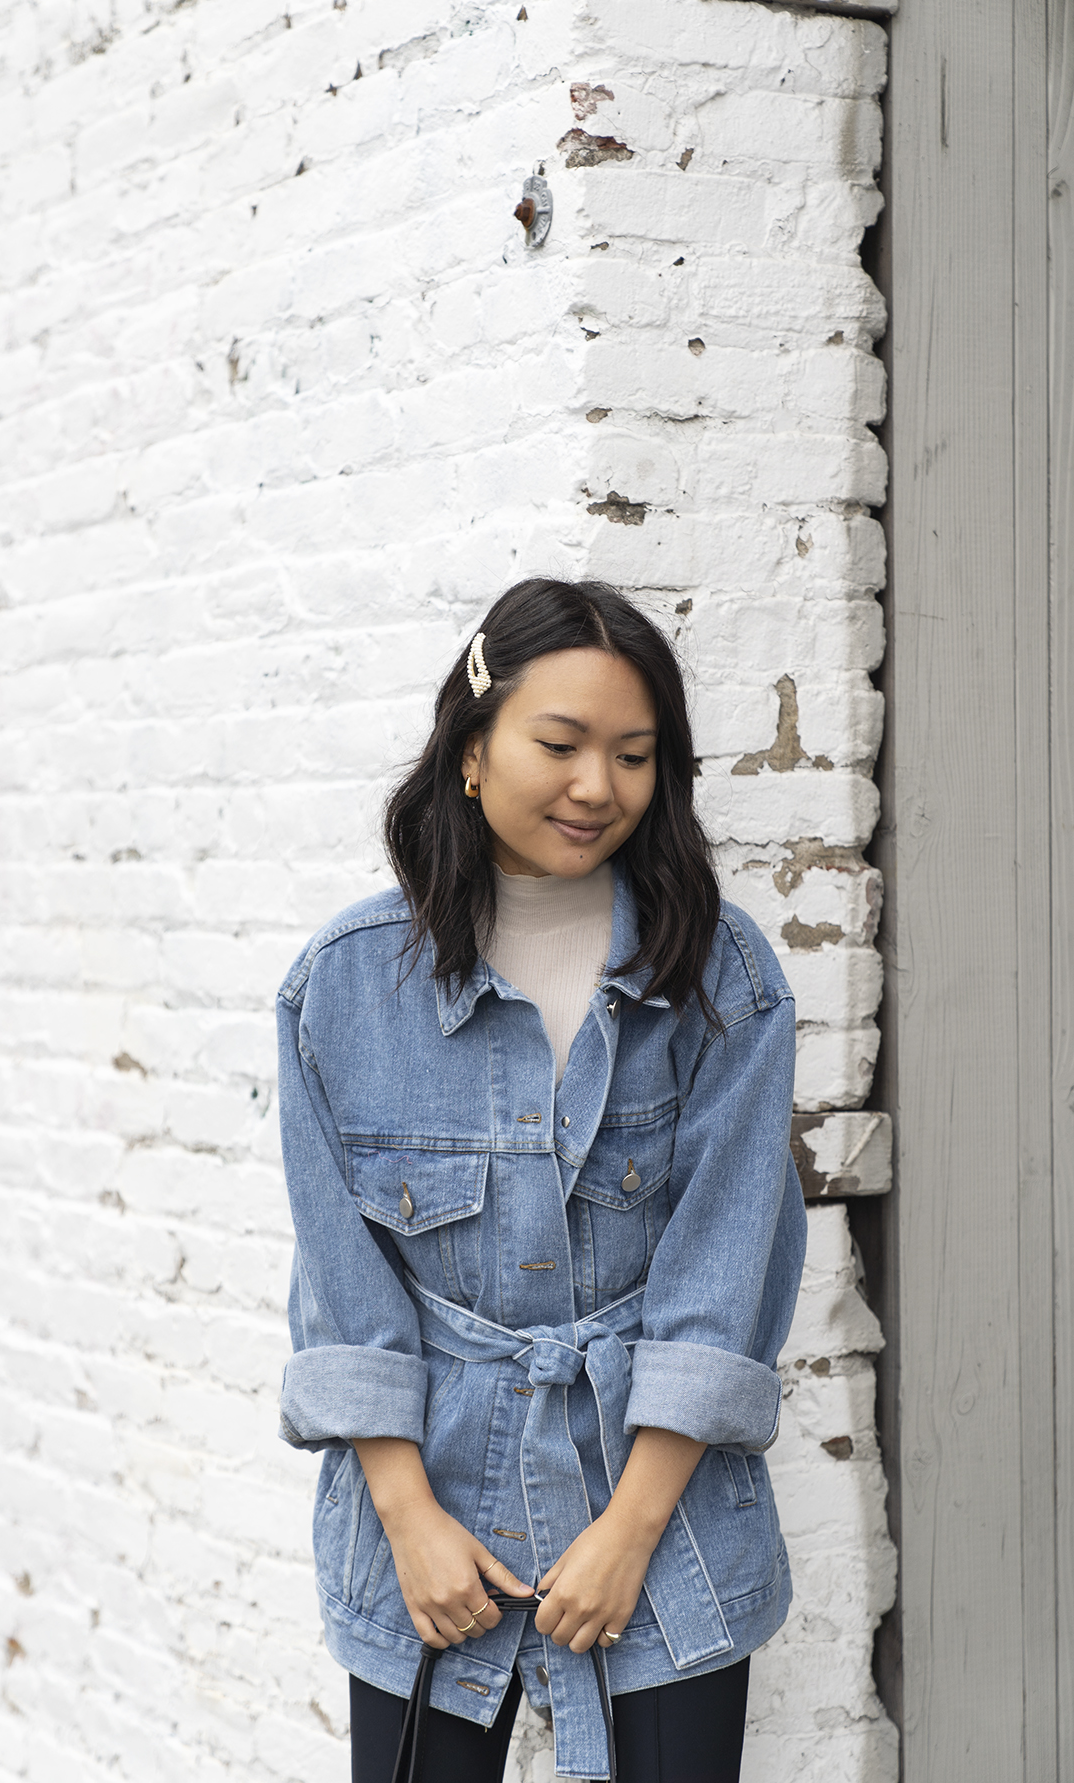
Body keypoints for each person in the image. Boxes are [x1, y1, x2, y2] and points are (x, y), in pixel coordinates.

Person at [277, 578, 807, 1783]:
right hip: (425, 1515)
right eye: (559, 744)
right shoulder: (343, 988)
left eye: (635, 754)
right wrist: (410, 1524)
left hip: (661, 1519)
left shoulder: (723, 975)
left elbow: (728, 1275)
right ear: (471, 751)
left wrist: (628, 1533)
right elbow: (344, 1293)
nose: (598, 787)